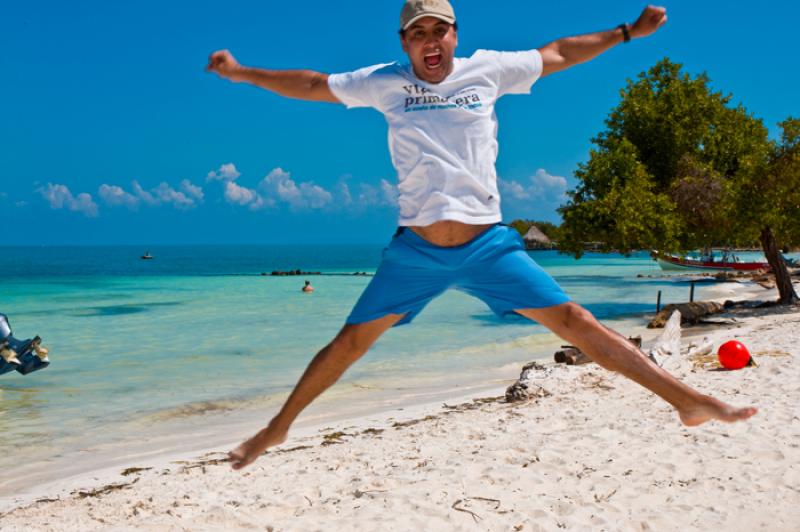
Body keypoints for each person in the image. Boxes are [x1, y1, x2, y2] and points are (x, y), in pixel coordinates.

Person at [207, 1, 757, 471]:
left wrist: (627, 32)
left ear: (454, 36)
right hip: (416, 252)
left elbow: (560, 52)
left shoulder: (487, 71)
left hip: (488, 247)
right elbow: (308, 84)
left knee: (579, 324)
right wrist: (243, 72)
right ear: (404, 41)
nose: (429, 40)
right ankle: (277, 429)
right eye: (417, 32)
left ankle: (687, 401)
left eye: (438, 30)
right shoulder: (383, 82)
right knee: (347, 344)